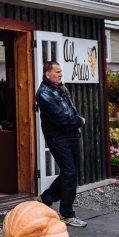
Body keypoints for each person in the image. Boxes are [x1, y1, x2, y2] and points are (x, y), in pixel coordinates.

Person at [35, 61, 88, 227]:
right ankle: (67, 213)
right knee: (69, 173)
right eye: (57, 72)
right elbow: (60, 117)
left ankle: (46, 198)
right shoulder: (43, 93)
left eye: (60, 72)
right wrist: (79, 121)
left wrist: (75, 124)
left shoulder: (61, 88)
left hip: (70, 134)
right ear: (47, 74)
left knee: (71, 173)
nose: (60, 74)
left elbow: (70, 110)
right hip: (57, 137)